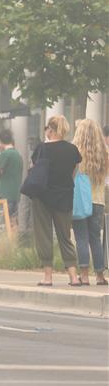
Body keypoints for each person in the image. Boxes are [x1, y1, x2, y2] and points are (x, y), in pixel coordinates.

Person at [30, 115, 81, 287]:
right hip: (64, 196)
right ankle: (74, 277)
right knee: (65, 236)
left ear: (50, 129)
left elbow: (35, 169)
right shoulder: (72, 150)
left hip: (42, 197)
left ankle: (48, 277)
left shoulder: (41, 148)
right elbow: (73, 173)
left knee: (44, 235)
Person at [71, 119, 108, 286]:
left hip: (80, 200)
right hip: (98, 201)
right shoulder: (105, 153)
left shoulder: (75, 153)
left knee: (81, 238)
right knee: (95, 238)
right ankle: (100, 276)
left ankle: (84, 276)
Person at [0, 129, 23, 221]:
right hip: (16, 194)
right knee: (12, 222)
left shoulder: (5, 154)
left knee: (3, 223)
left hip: (5, 194)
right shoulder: (18, 155)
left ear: (1, 141)